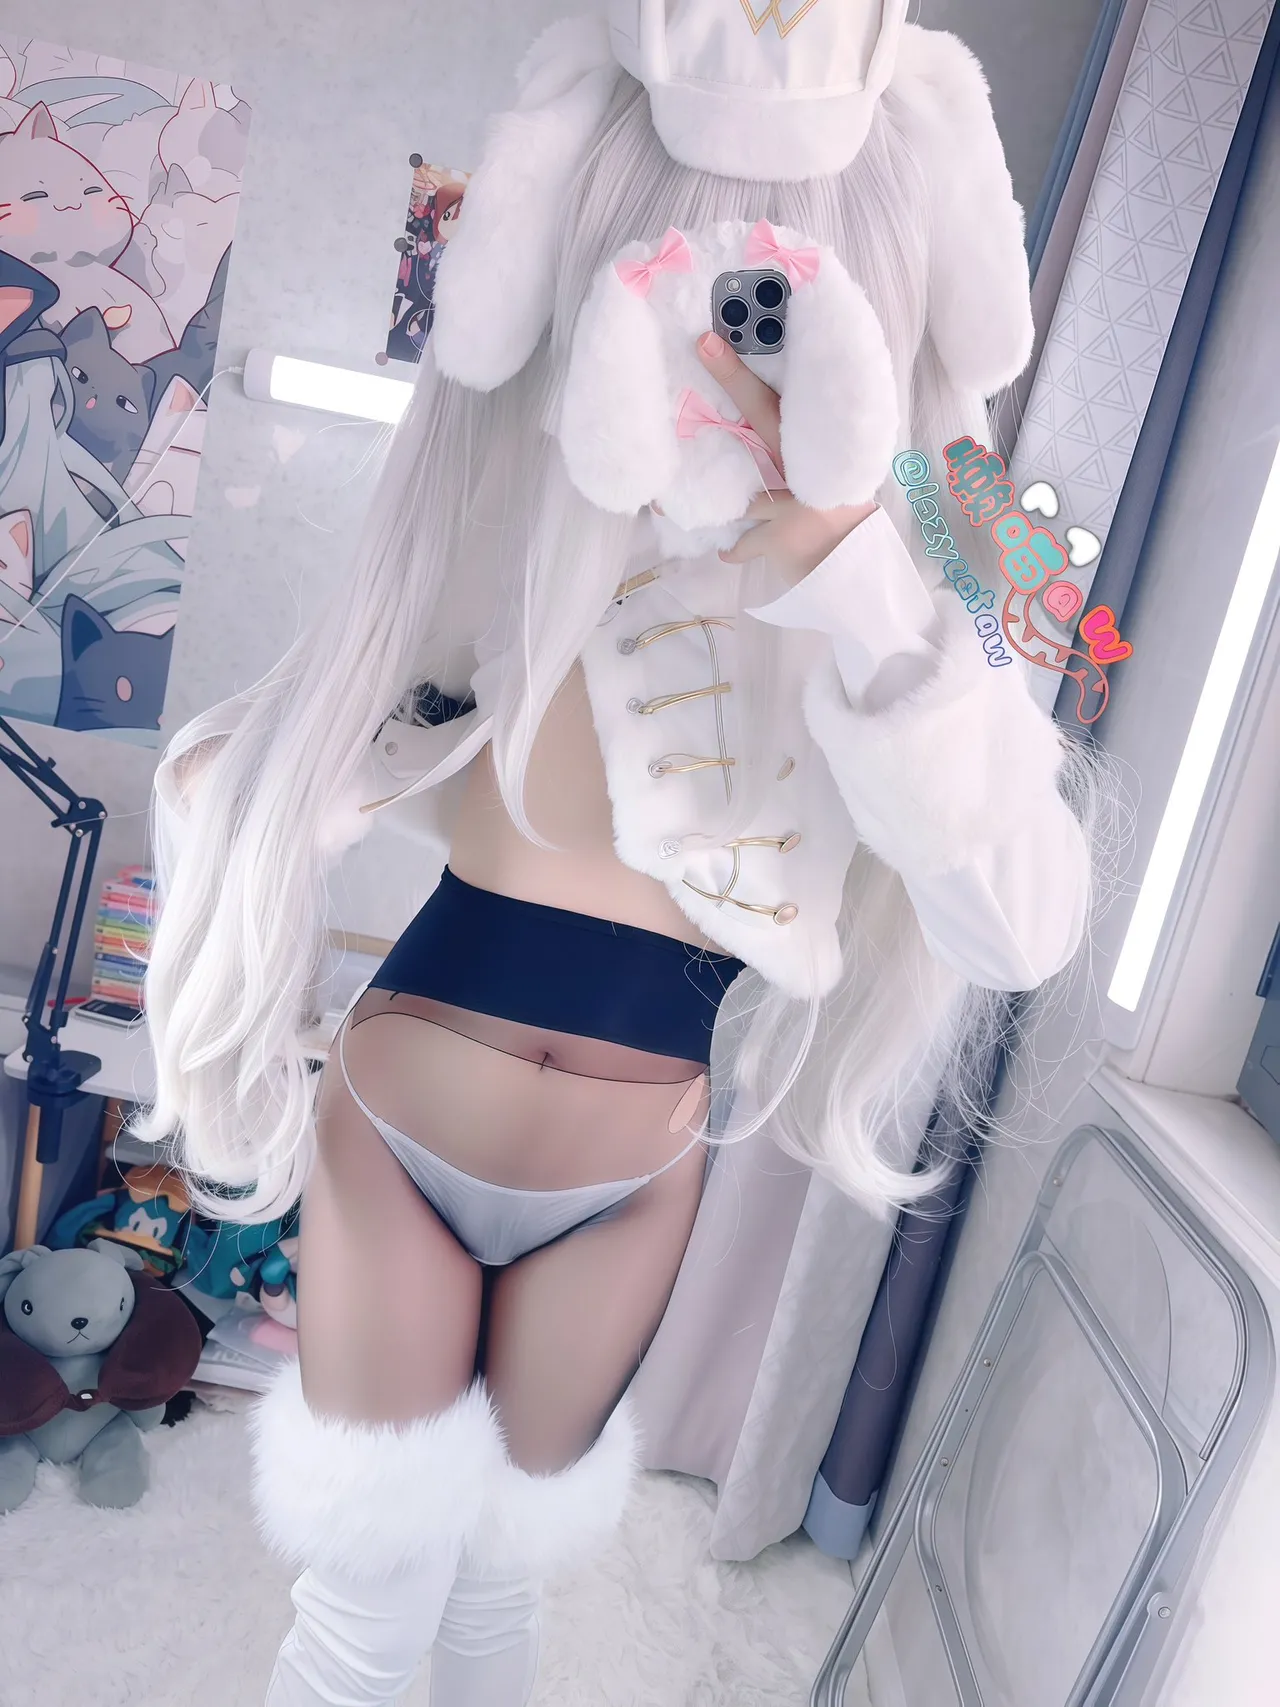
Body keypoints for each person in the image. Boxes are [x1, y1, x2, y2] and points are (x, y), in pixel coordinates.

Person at [139, 7, 1096, 1704]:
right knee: (364, 1622)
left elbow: (1024, 922)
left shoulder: (924, 547)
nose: (726, 346)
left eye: (784, 298)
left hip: (631, 1161)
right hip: (414, 1103)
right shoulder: (537, 473)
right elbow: (376, 651)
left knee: (496, 1601)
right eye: (676, 282)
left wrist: (856, 568)